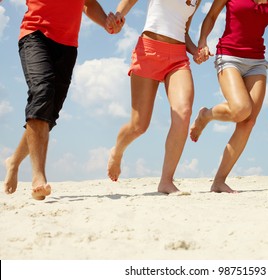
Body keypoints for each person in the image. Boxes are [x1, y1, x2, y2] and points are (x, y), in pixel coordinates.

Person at [3, 0, 123, 200]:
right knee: (42, 92)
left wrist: (106, 22)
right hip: (35, 33)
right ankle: (38, 177)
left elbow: (88, 3)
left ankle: (13, 162)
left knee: (48, 114)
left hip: (67, 45)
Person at [189, 0, 268, 193]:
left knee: (248, 122)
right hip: (228, 55)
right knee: (241, 109)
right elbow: (211, 16)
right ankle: (206, 115)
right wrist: (202, 41)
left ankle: (219, 181)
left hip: (256, 61)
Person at [107, 0, 203, 194]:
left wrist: (195, 51)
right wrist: (119, 14)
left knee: (183, 113)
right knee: (139, 126)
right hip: (149, 50)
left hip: (177, 58)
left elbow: (183, 30)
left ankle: (166, 181)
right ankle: (117, 152)